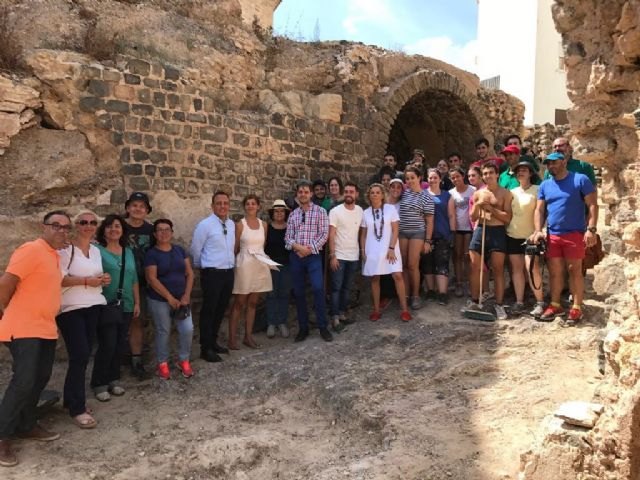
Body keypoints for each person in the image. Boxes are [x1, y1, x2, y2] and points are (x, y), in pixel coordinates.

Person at [0, 211, 71, 467]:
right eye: (56, 226)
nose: (62, 230)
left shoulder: (54, 256)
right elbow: (5, 284)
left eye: (66, 227)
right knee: (23, 381)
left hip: (45, 328)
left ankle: (27, 425)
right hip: (23, 327)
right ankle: (2, 437)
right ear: (44, 227)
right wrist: (7, 312)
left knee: (39, 379)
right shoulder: (31, 249)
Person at [529, 152, 598, 325]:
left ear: (564, 162)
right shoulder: (545, 185)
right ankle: (555, 304)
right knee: (555, 271)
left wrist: (591, 229)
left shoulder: (580, 179)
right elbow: (539, 210)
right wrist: (538, 230)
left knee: (574, 270)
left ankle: (576, 307)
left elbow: (592, 205)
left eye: (554, 163)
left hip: (575, 233)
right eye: (548, 164)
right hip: (554, 234)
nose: (551, 166)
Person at [57, 211, 109, 429]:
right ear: (76, 226)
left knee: (84, 354)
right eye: (83, 222)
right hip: (71, 308)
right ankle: (77, 408)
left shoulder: (96, 251)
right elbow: (60, 279)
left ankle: (70, 398)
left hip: (93, 305)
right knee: (79, 354)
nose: (88, 225)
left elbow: (98, 275)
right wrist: (88, 281)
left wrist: (103, 279)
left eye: (92, 222)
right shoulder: (65, 251)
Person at [91, 215, 139, 401]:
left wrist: (137, 303)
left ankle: (114, 378)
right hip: (106, 303)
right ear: (103, 230)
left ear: (122, 230)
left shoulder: (128, 252)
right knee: (107, 343)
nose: (113, 229)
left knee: (120, 343)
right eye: (109, 226)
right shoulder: (97, 250)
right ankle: (99, 382)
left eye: (117, 226)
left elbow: (134, 278)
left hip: (126, 303)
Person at [144, 219, 195, 380]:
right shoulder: (152, 254)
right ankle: (162, 363)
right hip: (159, 300)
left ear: (172, 233)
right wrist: (170, 298)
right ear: (155, 234)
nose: (164, 233)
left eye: (167, 229)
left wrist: (186, 295)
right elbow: (152, 279)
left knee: (187, 329)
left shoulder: (180, 250)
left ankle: (184, 360)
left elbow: (190, 274)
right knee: (163, 331)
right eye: (160, 230)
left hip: (182, 299)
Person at [284, 180, 332, 343]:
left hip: (313, 257)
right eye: (300, 192)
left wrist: (309, 249)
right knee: (299, 293)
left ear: (311, 194)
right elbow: (288, 238)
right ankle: (303, 328)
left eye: (306, 192)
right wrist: (298, 247)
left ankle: (323, 326)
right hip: (296, 257)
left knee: (318, 289)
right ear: (297, 195)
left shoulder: (320, 212)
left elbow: (324, 234)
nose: (303, 194)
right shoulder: (293, 214)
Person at [191, 191, 235, 362]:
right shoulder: (205, 225)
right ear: (213, 206)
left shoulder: (231, 224)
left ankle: (214, 342)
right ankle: (205, 347)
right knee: (209, 310)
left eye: (225, 203)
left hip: (228, 272)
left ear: (229, 205)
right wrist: (203, 266)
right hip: (212, 273)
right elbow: (196, 248)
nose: (222, 206)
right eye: (219, 203)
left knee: (221, 309)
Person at [468, 163, 513, 320]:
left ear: (497, 174)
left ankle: (499, 305)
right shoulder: (478, 193)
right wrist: (478, 206)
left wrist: (492, 209)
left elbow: (507, 218)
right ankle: (475, 301)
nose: (488, 176)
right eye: (485, 173)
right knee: (474, 267)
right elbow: (472, 217)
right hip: (480, 229)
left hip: (497, 231)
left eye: (490, 173)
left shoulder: (505, 194)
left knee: (498, 269)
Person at [360, 183, 411, 321]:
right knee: (375, 278)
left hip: (390, 249)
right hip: (372, 250)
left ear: (383, 195)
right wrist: (363, 251)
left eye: (378, 192)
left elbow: (395, 230)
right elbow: (363, 234)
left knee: (397, 276)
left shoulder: (390, 209)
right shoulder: (365, 213)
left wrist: (391, 248)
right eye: (372, 193)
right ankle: (376, 310)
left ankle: (404, 310)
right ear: (369, 196)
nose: (375, 194)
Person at [229, 194, 272, 350]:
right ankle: (232, 339)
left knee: (253, 302)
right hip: (245, 265)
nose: (251, 206)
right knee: (239, 302)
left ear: (258, 206)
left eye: (253, 203)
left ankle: (248, 336)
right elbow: (235, 247)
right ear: (244, 206)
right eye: (248, 203)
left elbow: (263, 244)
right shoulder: (240, 225)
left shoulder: (264, 225)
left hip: (259, 264)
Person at [506, 163, 545, 317]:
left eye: (524, 170)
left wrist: (540, 231)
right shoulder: (512, 192)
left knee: (532, 267)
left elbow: (542, 211)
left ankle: (540, 302)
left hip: (531, 236)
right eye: (518, 171)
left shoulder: (538, 189)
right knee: (516, 270)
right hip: (512, 235)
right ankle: (519, 301)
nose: (521, 173)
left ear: (530, 173)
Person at [123, 192, 154, 380]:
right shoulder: (118, 227)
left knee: (137, 321)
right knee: (116, 322)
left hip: (141, 283)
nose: (138, 209)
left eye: (142, 206)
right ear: (128, 208)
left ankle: (136, 360)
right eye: (134, 205)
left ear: (147, 210)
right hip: (120, 281)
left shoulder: (151, 230)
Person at [328, 182, 364, 332]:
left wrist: (362, 251)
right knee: (336, 288)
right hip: (339, 256)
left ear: (356, 194)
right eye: (347, 191)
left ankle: (342, 313)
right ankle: (334, 317)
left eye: (352, 191)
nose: (349, 194)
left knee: (347, 287)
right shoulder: (335, 211)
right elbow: (331, 235)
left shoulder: (360, 211)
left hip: (353, 256)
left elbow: (361, 232)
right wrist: (333, 255)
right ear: (344, 194)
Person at [399, 165, 434, 310]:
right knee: (404, 266)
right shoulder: (404, 194)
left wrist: (427, 241)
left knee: (413, 265)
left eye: (412, 178)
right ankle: (405, 295)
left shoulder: (426, 196)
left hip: (417, 233)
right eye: (407, 178)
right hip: (402, 232)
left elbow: (430, 221)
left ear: (419, 178)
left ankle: (415, 295)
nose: (410, 181)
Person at [422, 169, 456, 304]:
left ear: (440, 179)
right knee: (427, 263)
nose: (432, 180)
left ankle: (442, 293)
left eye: (435, 177)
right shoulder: (422, 194)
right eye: (430, 178)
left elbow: (451, 215)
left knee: (442, 263)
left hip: (442, 233)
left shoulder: (447, 196)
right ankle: (431, 291)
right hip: (425, 235)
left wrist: (452, 233)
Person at [264, 200, 291, 339]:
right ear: (272, 213)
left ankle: (282, 322)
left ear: (285, 213)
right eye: (276, 211)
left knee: (284, 294)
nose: (279, 214)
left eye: (282, 211)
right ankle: (271, 323)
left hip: (287, 265)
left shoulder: (290, 228)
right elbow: (263, 246)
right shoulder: (267, 228)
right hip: (271, 266)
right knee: (271, 294)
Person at [449, 167, 475, 297]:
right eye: (453, 177)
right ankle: (459, 282)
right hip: (457, 228)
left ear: (463, 176)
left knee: (468, 256)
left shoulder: (472, 190)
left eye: (457, 176)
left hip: (469, 228)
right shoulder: (451, 193)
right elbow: (451, 213)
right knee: (457, 256)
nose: (455, 179)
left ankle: (469, 282)